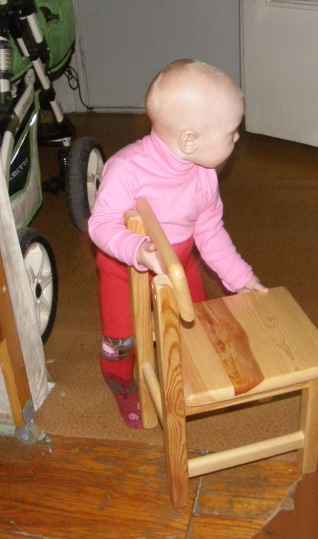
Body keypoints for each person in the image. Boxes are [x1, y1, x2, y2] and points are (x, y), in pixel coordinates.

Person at [87, 59, 268, 428]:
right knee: (121, 339)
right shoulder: (126, 169)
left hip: (180, 265)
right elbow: (101, 224)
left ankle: (191, 368)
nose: (237, 139)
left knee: (195, 321)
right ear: (190, 140)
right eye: (231, 133)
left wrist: (239, 277)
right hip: (124, 271)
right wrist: (135, 248)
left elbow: (211, 233)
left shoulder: (203, 175)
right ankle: (122, 384)